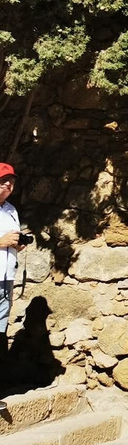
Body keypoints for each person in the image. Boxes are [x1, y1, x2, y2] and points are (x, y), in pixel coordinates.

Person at [0, 163, 27, 410]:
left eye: (11, 180)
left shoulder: (11, 210)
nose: (8, 184)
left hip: (6, 277)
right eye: (3, 180)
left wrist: (17, 244)